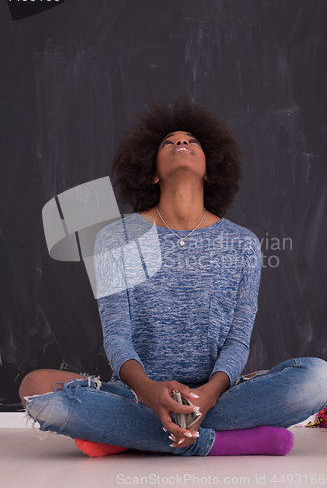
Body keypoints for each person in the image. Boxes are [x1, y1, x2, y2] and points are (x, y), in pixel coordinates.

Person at [19, 98, 327, 457]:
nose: (181, 143)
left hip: (218, 395)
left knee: (317, 378)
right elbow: (116, 335)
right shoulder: (116, 239)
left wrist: (208, 395)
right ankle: (220, 442)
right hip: (138, 394)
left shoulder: (242, 243)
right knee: (34, 388)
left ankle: (122, 435)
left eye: (192, 141)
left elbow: (238, 341)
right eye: (169, 142)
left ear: (211, 170)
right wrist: (149, 392)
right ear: (151, 172)